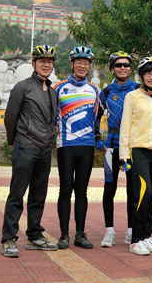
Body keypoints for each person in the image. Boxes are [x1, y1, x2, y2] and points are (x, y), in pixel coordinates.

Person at [1, 45, 59, 258]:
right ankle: (8, 238)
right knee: (17, 195)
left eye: (50, 62)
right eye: (42, 61)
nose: (46, 65)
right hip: (25, 147)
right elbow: (10, 117)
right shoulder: (22, 87)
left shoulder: (52, 91)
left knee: (38, 196)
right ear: (33, 64)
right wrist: (13, 141)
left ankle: (34, 235)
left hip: (44, 150)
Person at [119, 56, 152, 256]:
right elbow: (125, 127)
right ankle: (135, 240)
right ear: (142, 75)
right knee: (143, 192)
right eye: (148, 73)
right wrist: (124, 155)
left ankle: (146, 236)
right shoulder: (132, 97)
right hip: (139, 150)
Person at [53, 47, 101, 250]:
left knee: (82, 191)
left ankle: (80, 234)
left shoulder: (94, 90)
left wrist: (98, 138)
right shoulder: (59, 87)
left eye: (86, 63)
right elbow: (52, 115)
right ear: (71, 64)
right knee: (65, 190)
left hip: (87, 145)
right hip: (66, 144)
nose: (82, 66)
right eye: (79, 62)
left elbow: (96, 118)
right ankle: (64, 234)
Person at [97, 51, 139, 247]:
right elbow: (96, 118)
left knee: (133, 190)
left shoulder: (138, 89)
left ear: (130, 69)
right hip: (111, 147)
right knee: (109, 189)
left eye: (126, 65)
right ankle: (110, 232)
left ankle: (131, 231)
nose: (123, 68)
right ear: (112, 69)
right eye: (118, 65)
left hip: (132, 147)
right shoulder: (106, 92)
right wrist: (98, 139)